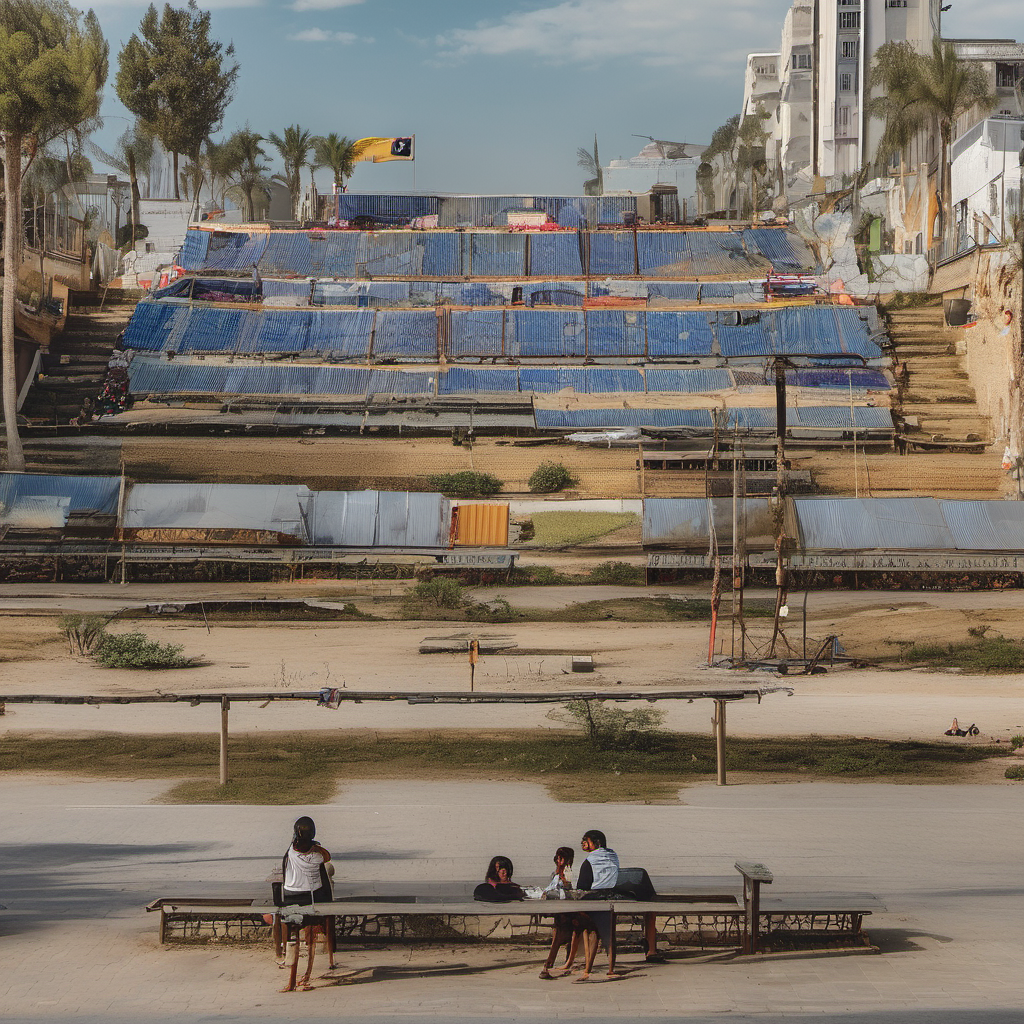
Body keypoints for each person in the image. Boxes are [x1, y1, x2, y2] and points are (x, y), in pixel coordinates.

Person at [280, 816, 337, 989]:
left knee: (291, 928)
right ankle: (326, 953)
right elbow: (327, 858)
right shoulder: (318, 856)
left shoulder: (290, 851)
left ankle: (287, 961)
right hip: (312, 902)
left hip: (291, 902)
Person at [573, 829, 620, 982]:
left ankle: (587, 968)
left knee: (588, 929)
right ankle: (611, 968)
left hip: (593, 901)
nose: (583, 843)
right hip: (611, 899)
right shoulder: (613, 855)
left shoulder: (590, 860)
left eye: (586, 840)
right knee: (609, 934)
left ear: (596, 843)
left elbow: (582, 886)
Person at [539, 847, 577, 979]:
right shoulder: (554, 874)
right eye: (558, 858)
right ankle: (561, 962)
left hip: (569, 909)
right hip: (559, 909)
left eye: (562, 858)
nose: (559, 861)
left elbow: (571, 889)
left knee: (560, 937)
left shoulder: (570, 873)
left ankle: (550, 964)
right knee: (560, 935)